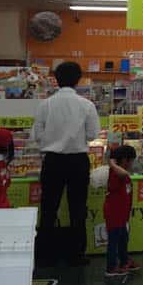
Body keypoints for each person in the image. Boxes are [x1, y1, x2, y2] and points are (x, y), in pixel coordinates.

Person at [32, 62, 101, 266]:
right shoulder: (86, 105)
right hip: (78, 161)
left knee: (48, 208)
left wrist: (51, 140)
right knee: (78, 207)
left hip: (52, 161)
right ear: (78, 79)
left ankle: (43, 253)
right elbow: (93, 135)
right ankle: (77, 253)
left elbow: (36, 134)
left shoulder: (46, 104)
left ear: (56, 78)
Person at [104, 145, 140, 278]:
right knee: (114, 241)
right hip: (114, 213)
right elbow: (123, 174)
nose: (131, 164)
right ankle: (111, 267)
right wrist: (112, 163)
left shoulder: (120, 172)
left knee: (123, 239)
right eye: (131, 161)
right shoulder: (116, 173)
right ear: (125, 160)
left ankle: (124, 261)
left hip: (122, 214)